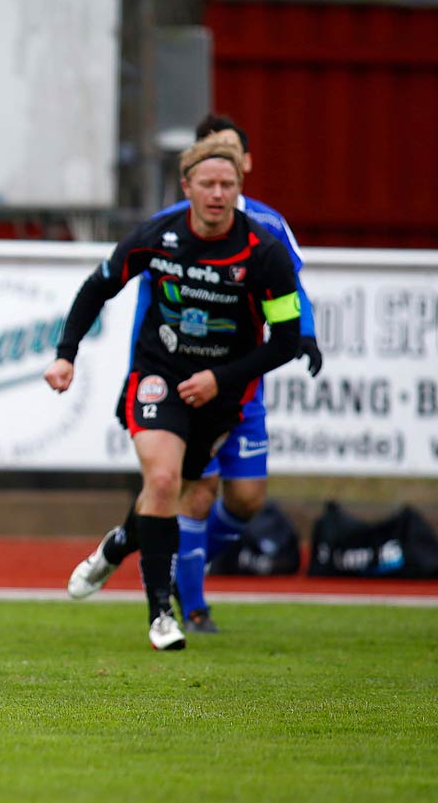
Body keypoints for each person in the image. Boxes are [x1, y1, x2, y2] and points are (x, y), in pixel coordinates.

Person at [44, 137, 304, 651]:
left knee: (175, 492)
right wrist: (66, 353)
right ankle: (161, 615)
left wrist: (221, 380)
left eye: (227, 185)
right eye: (207, 184)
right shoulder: (158, 237)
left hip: (219, 394)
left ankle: (117, 544)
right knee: (161, 480)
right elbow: (99, 286)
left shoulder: (264, 254)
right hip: (157, 375)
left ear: (239, 189)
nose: (217, 193)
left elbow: (288, 341)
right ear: (186, 188)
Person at [102, 115, 322, 635]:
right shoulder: (173, 225)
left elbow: (291, 293)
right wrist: (141, 368)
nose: (216, 173)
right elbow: (142, 296)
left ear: (244, 165)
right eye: (207, 157)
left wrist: (304, 335)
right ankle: (190, 606)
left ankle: (174, 559)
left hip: (239, 385)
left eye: (227, 157)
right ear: (191, 172)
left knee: (246, 501)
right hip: (176, 382)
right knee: (188, 489)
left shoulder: (266, 230)